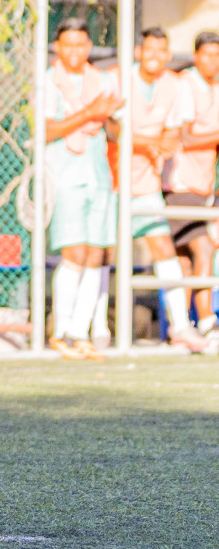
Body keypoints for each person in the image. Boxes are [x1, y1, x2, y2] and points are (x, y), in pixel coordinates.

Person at [43, 19, 121, 361]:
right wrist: (90, 113)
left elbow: (115, 128)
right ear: (57, 47)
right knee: (73, 253)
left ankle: (81, 332)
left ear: (89, 47)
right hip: (65, 173)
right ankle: (61, 331)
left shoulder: (101, 80)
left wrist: (111, 117)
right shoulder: (48, 81)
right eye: (68, 45)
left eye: (81, 44)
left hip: (99, 174)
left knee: (96, 254)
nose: (75, 51)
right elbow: (47, 130)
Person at [121, 28, 202, 351]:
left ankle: (181, 327)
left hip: (146, 182)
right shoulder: (121, 78)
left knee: (164, 250)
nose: (154, 55)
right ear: (140, 51)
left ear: (168, 54)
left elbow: (174, 134)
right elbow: (116, 132)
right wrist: (152, 142)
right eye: (149, 49)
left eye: (161, 50)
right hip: (112, 181)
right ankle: (91, 331)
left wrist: (160, 146)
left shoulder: (174, 84)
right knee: (97, 254)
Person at [171, 32, 219, 346]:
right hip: (179, 182)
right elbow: (186, 138)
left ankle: (181, 328)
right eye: (207, 54)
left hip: (204, 185)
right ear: (196, 55)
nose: (212, 61)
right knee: (203, 249)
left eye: (217, 55)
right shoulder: (185, 84)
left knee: (186, 260)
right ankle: (205, 321)